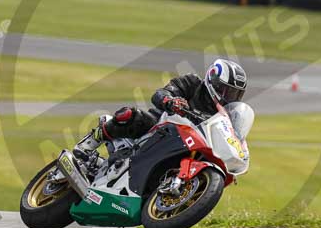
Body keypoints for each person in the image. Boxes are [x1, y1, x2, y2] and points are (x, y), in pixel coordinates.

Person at [77, 59, 248, 156]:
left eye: (235, 94)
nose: (229, 97)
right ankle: (94, 139)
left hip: (189, 146)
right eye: (227, 91)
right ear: (214, 81)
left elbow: (234, 137)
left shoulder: (227, 114)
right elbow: (160, 94)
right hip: (159, 128)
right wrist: (170, 102)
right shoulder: (193, 83)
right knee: (130, 115)